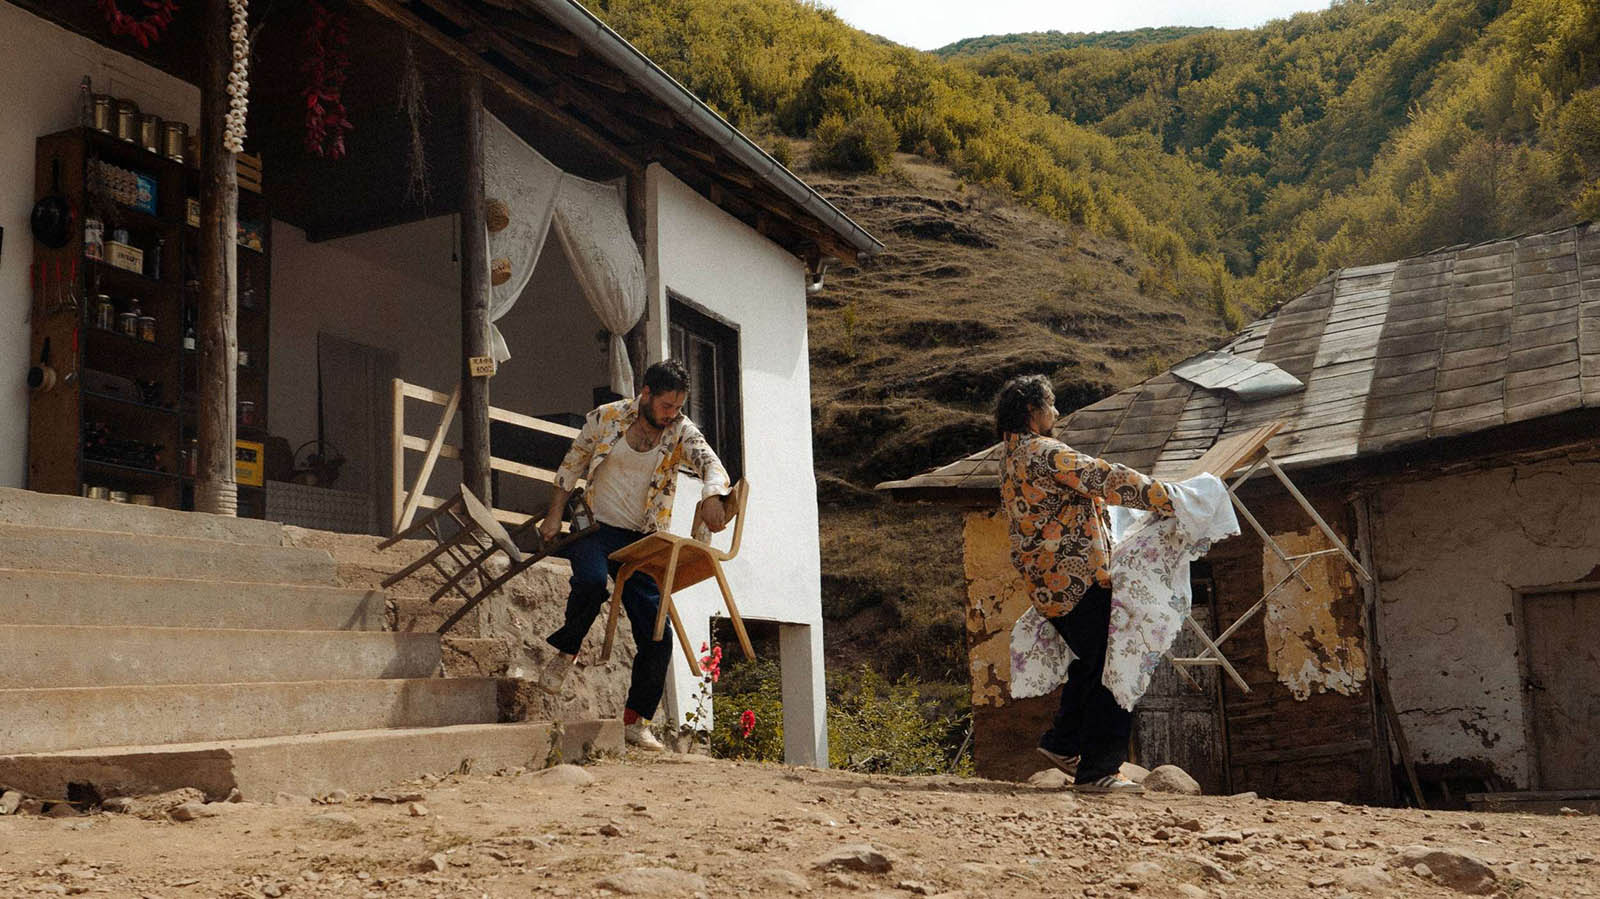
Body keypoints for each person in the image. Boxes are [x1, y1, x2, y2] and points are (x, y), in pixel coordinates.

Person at [537, 360, 731, 751]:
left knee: (658, 632)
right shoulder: (605, 418)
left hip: (644, 540)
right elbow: (571, 465)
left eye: (678, 407)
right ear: (645, 394)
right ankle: (567, 650)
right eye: (666, 405)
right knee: (591, 583)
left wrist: (712, 495)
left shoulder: (681, 431)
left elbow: (712, 465)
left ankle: (636, 721)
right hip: (595, 528)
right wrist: (554, 515)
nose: (672, 414)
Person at [994, 374, 1175, 793]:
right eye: (1051, 405)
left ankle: (1063, 742)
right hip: (1076, 577)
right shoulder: (1044, 452)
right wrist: (1169, 497)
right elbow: (1104, 478)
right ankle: (1098, 770)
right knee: (1115, 663)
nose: (1056, 413)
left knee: (1091, 660)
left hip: (1046, 583)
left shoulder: (1010, 457)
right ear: (1032, 412)